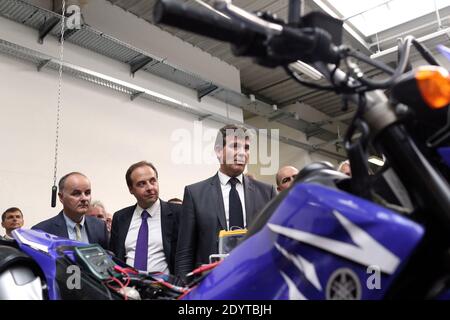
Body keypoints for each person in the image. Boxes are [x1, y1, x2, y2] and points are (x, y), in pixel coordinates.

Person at [175, 124, 277, 278]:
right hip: (211, 283)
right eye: (235, 146)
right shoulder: (194, 194)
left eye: (247, 148)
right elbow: (185, 253)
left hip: (257, 280)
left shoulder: (266, 192)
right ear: (218, 151)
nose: (242, 153)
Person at [109, 161, 181, 274]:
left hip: (165, 287)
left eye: (153, 181)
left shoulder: (179, 214)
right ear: (130, 189)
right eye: (142, 184)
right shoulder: (120, 218)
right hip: (128, 287)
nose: (150, 187)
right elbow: (114, 257)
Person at [32, 172, 109, 249]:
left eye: (87, 193)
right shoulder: (42, 231)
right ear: (61, 197)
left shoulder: (100, 227)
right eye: (76, 194)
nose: (84, 198)